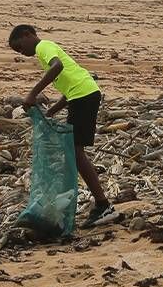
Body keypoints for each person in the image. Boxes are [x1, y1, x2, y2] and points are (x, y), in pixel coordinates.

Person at [8, 25, 120, 227]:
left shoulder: (44, 46)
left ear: (28, 35)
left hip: (84, 96)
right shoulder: (44, 55)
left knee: (76, 152)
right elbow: (70, 87)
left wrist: (32, 93)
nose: (22, 53)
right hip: (82, 95)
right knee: (75, 151)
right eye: (17, 52)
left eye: (20, 47)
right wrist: (53, 110)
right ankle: (101, 204)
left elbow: (58, 66)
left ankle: (103, 205)